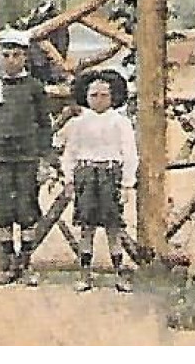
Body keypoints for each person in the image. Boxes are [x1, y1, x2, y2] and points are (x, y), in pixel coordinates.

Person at [0, 30, 55, 286]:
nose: (11, 60)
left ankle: (25, 264)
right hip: (0, 158)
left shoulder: (34, 88)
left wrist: (44, 160)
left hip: (27, 159)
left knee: (27, 210)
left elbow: (45, 125)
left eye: (17, 55)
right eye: (6, 55)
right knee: (2, 211)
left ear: (25, 57)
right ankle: (9, 263)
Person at [58, 70, 137, 293]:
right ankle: (85, 274)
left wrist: (127, 184)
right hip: (86, 174)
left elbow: (130, 153)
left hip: (110, 175)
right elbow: (70, 152)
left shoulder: (120, 122)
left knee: (113, 226)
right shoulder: (79, 123)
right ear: (86, 96)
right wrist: (69, 179)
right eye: (94, 95)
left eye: (104, 95)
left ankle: (120, 274)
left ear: (113, 97)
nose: (99, 100)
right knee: (87, 227)